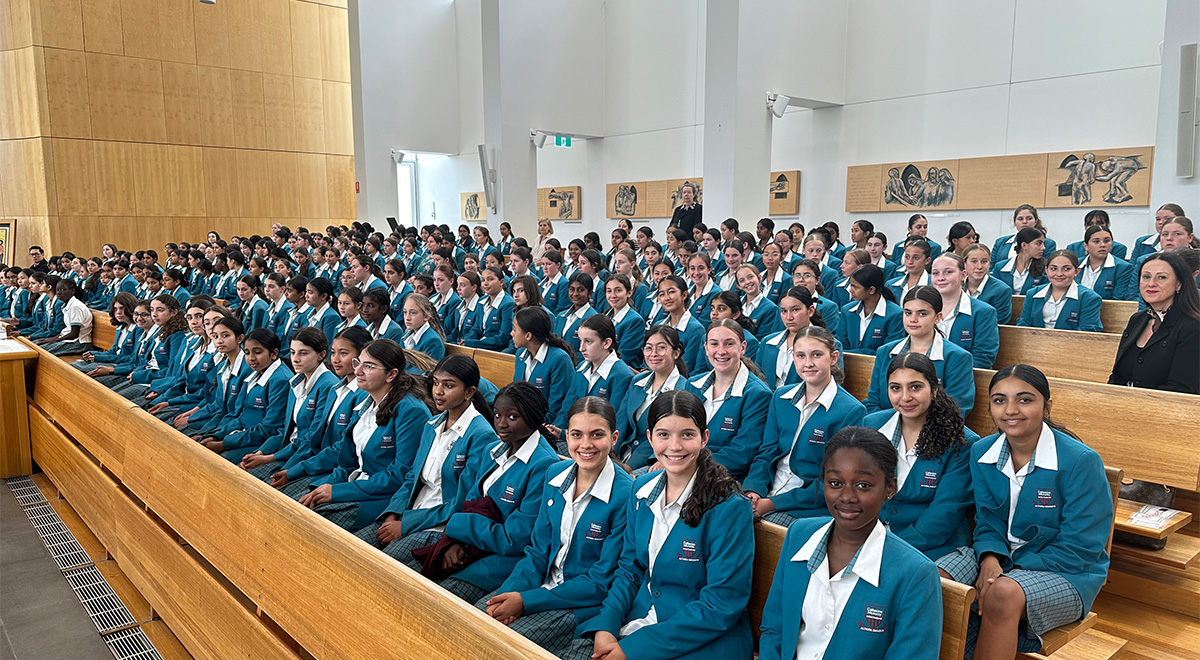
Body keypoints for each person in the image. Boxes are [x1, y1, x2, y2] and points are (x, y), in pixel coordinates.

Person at [564, 389, 753, 660]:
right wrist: (608, 623)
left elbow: (720, 605)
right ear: (650, 438)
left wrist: (633, 649)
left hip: (701, 637)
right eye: (664, 434)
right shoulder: (641, 489)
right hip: (643, 614)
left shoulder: (730, 507)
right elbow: (630, 568)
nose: (674, 446)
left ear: (704, 438)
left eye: (687, 434)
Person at [952, 365, 1113, 660]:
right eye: (1000, 400)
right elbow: (988, 519)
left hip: (1070, 572)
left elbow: (1082, 548)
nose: (1011, 410)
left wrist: (1010, 570)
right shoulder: (981, 452)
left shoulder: (1081, 461)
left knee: (1002, 593)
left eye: (1025, 400)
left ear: (1047, 406)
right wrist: (989, 558)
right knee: (935, 578)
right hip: (1002, 556)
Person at [757, 426, 943, 660]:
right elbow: (775, 629)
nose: (846, 497)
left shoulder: (915, 573)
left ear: (889, 488)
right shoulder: (799, 535)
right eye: (835, 483)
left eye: (863, 485)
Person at [478, 395, 630, 655]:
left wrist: (525, 601)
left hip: (579, 602)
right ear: (567, 437)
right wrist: (510, 593)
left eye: (596, 435)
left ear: (614, 438)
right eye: (577, 435)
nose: (586, 444)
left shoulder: (626, 494)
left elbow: (599, 581)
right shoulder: (555, 475)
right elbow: (538, 551)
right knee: (474, 618)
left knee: (496, 646)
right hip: (540, 586)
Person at [354, 354, 498, 562]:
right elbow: (412, 477)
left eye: (449, 386)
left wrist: (407, 524)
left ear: (469, 392)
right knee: (352, 547)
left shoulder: (481, 435)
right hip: (410, 511)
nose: (438, 391)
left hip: (438, 525)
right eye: (436, 383)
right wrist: (394, 512)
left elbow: (462, 500)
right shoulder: (433, 424)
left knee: (375, 565)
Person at [433, 381, 560, 604]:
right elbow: (471, 500)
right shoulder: (494, 449)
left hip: (501, 560)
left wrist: (459, 527)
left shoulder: (543, 465)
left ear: (533, 418)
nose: (501, 424)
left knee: (441, 598)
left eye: (512, 417)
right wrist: (456, 541)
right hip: (470, 543)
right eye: (498, 415)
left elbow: (515, 538)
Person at [297, 339, 433, 531]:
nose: (358, 371)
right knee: (293, 502)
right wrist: (327, 486)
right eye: (358, 363)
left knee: (306, 524)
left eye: (368, 366)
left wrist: (337, 491)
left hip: (379, 498)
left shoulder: (410, 410)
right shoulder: (367, 401)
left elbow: (398, 475)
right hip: (356, 485)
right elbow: (348, 461)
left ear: (391, 374)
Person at [864, 354, 980, 572]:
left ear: (934, 390)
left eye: (915, 387)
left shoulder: (962, 441)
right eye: (895, 388)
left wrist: (885, 547)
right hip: (875, 536)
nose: (905, 397)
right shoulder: (872, 424)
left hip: (937, 545)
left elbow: (944, 514)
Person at [744, 327, 866, 525]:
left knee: (762, 524)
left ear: (833, 357)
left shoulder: (851, 411)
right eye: (800, 355)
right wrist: (754, 490)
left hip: (806, 504)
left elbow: (833, 481)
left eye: (817, 355)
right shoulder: (781, 397)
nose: (808, 363)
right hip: (768, 491)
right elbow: (766, 452)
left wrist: (771, 504)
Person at [268, 326, 372, 495]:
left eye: (343, 353)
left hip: (335, 470)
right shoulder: (336, 390)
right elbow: (315, 438)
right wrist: (289, 468)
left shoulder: (360, 395)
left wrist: (293, 469)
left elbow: (342, 449)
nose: (336, 359)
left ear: (361, 357)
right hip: (316, 461)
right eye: (333, 352)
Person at [238, 327, 339, 478]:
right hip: (287, 450)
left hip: (305, 456)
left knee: (257, 481)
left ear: (322, 355)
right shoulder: (296, 381)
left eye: (303, 353)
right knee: (242, 470)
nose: (295, 358)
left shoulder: (328, 385)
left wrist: (270, 458)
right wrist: (260, 452)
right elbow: (285, 431)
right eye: (292, 352)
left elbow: (311, 439)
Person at [679, 320, 771, 480]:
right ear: (706, 348)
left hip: (723, 477)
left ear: (742, 348)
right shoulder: (692, 384)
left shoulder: (758, 394)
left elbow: (741, 454)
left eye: (729, 344)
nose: (721, 351)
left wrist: (688, 462)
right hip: (682, 466)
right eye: (714, 344)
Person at [865, 286, 976, 417]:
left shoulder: (957, 357)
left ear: (937, 317)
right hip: (888, 430)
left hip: (935, 432)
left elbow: (956, 411)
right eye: (908, 313)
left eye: (922, 313)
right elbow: (873, 402)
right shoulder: (885, 352)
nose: (913, 319)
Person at [1108, 252, 1200, 393]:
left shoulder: (1192, 327)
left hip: (1166, 410)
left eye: (1161, 277)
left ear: (1179, 284)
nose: (1151, 284)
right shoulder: (1137, 320)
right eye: (1146, 277)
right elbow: (1117, 377)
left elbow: (1180, 389)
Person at [616, 326, 688, 470]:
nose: (653, 354)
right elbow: (621, 420)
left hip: (653, 459)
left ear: (676, 353)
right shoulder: (637, 381)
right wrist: (610, 453)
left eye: (661, 348)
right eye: (648, 348)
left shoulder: (683, 390)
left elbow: (665, 436)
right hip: (622, 454)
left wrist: (628, 466)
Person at [512, 307, 578, 433]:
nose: (512, 333)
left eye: (515, 329)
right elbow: (515, 395)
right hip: (525, 424)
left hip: (548, 428)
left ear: (528, 335)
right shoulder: (520, 354)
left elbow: (556, 409)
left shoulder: (559, 359)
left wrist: (533, 429)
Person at [931, 253, 1000, 368]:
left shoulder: (983, 312)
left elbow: (983, 359)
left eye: (948, 272)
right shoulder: (923, 309)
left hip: (964, 379)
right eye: (935, 273)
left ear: (963, 275)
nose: (940, 278)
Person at [567, 315, 635, 431]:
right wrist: (560, 431)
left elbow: (615, 419)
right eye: (580, 341)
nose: (581, 348)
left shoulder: (622, 375)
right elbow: (568, 406)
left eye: (588, 341)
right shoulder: (581, 368)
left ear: (607, 343)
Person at [1016, 251, 1103, 332]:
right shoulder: (1033, 294)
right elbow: (1023, 324)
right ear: (1046, 270)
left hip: (1072, 346)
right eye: (1053, 269)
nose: (1059, 274)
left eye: (1066, 269)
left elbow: (1087, 330)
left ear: (1076, 271)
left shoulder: (1089, 298)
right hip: (1034, 344)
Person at [836, 264, 903, 355]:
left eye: (855, 286)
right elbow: (840, 346)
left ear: (871, 290)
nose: (850, 290)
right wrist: (869, 352)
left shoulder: (895, 314)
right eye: (851, 285)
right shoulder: (847, 310)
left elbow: (888, 351)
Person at [653, 274, 705, 372]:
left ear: (684, 295)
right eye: (662, 294)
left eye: (671, 292)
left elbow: (686, 366)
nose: (667, 298)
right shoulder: (658, 325)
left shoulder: (695, 329)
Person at [1075, 225, 1136, 301]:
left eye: (1107, 241)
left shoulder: (1123, 268)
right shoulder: (1075, 264)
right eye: (1096, 241)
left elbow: (1118, 300)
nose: (1102, 245)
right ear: (1086, 246)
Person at [603, 274, 647, 370]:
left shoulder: (635, 321)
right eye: (609, 291)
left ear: (629, 293)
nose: (613, 295)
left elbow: (625, 356)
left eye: (618, 290)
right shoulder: (604, 317)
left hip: (621, 370)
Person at [963, 244, 1014, 325]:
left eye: (984, 261)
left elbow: (999, 323)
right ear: (965, 263)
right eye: (974, 261)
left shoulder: (1001, 290)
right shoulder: (956, 286)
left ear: (989, 263)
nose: (979, 266)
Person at [991, 205, 1057, 263]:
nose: (1024, 222)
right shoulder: (1000, 242)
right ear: (1014, 222)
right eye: (1020, 219)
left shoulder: (1048, 244)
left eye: (1029, 218)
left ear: (1036, 221)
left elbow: (1048, 268)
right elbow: (991, 267)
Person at [992, 228, 1047, 296]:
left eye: (1043, 243)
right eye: (1038, 243)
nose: (1043, 247)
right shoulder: (1000, 267)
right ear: (1024, 245)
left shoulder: (1046, 268)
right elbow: (994, 293)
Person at [554, 273, 597, 353]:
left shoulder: (593, 319)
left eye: (580, 290)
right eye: (572, 289)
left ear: (590, 294)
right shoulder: (561, 316)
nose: (575, 294)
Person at [401, 293, 446, 362]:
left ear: (426, 316)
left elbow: (427, 370)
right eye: (405, 312)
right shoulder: (405, 336)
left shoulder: (433, 341)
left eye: (413, 313)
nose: (407, 318)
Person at [446, 271, 483, 344]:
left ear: (474, 287)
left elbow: (475, 332)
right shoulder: (458, 308)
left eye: (462, 285)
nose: (458, 288)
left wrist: (462, 341)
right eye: (458, 285)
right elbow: (454, 331)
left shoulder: (480, 307)